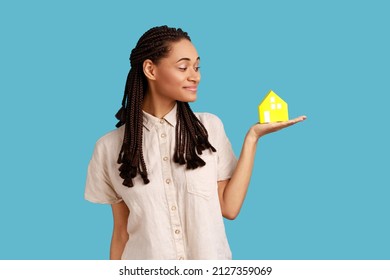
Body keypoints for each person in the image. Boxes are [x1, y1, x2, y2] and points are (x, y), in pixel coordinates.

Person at [85, 25, 306, 260]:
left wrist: (252, 138)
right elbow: (121, 233)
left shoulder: (208, 128)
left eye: (197, 67)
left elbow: (229, 208)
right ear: (150, 69)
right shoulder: (108, 148)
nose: (195, 76)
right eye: (183, 67)